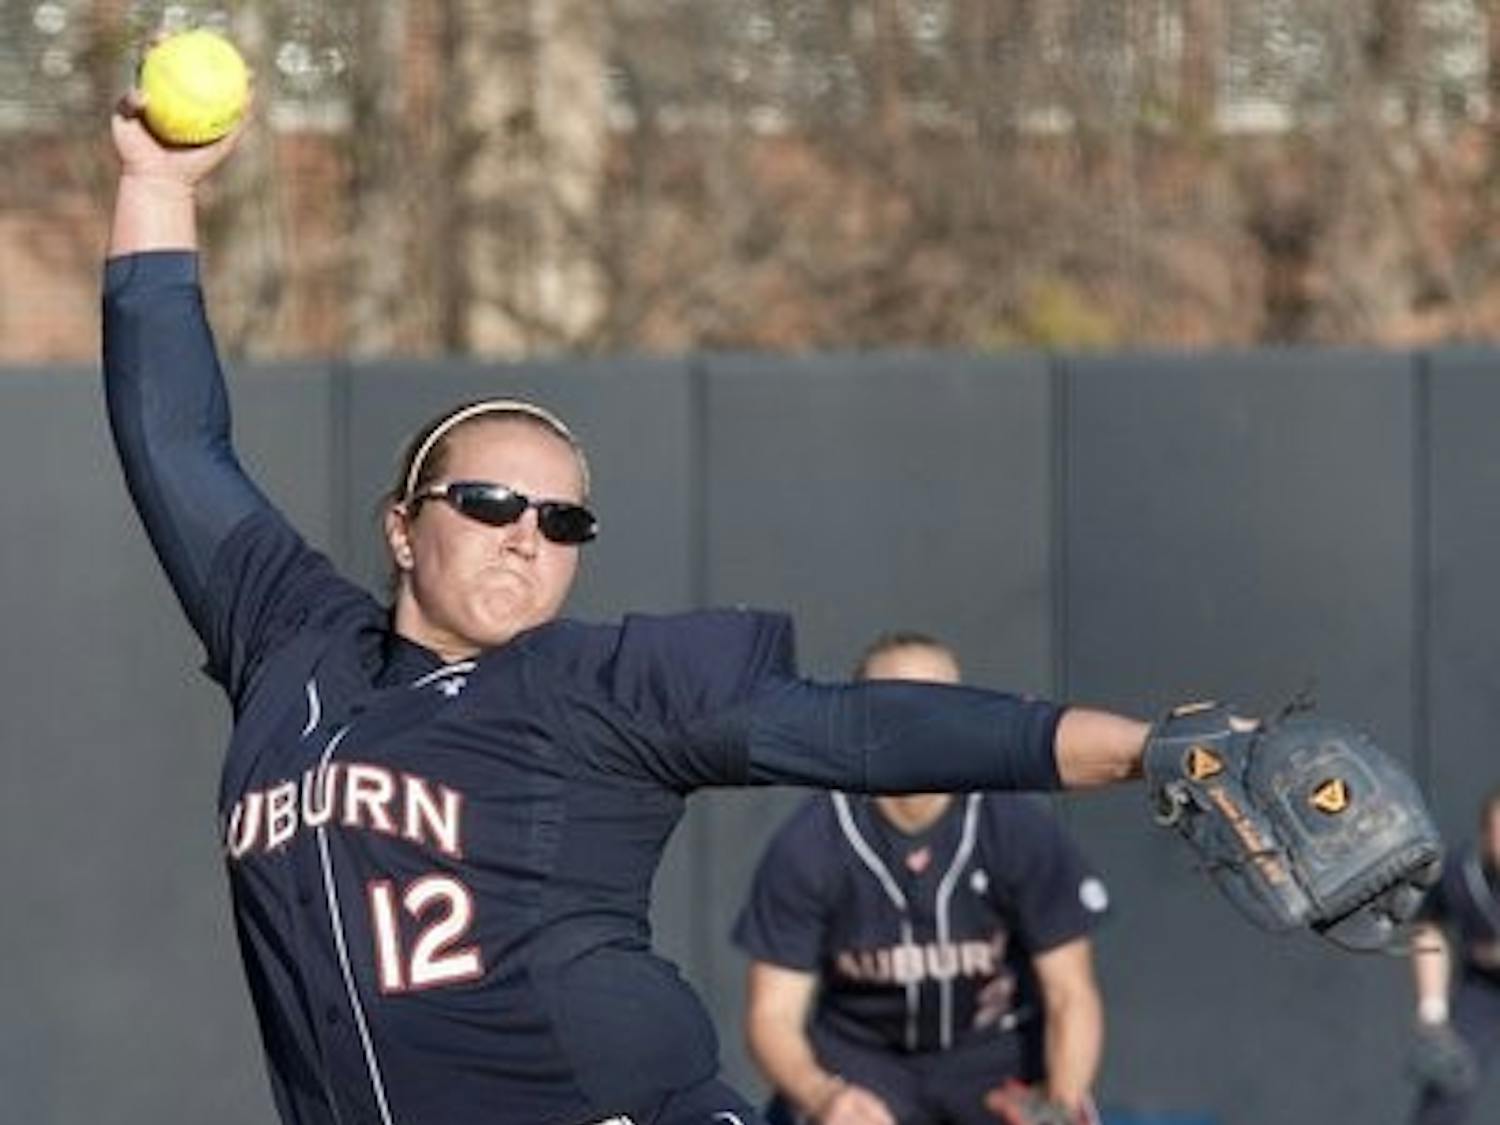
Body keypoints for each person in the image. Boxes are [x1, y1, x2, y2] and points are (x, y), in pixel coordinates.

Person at [103, 82, 1433, 1125]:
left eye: (563, 520)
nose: (527, 540)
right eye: (490, 505)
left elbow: (864, 733)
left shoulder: (596, 687)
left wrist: (1139, 743)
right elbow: (176, 445)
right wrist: (154, 185)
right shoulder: (291, 643)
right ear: (401, 525)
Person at [734, 633, 1106, 1125]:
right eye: (899, 705)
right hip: (862, 1064)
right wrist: (825, 1097)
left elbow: (1070, 995)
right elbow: (771, 1016)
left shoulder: (1014, 827)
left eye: (943, 702)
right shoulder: (813, 843)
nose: (923, 721)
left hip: (998, 1062)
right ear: (854, 719)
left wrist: (1056, 1107)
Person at [1407, 787, 1500, 1124]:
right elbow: (1427, 929)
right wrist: (1432, 1010)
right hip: (1485, 988)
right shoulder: (1463, 873)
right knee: (1448, 1078)